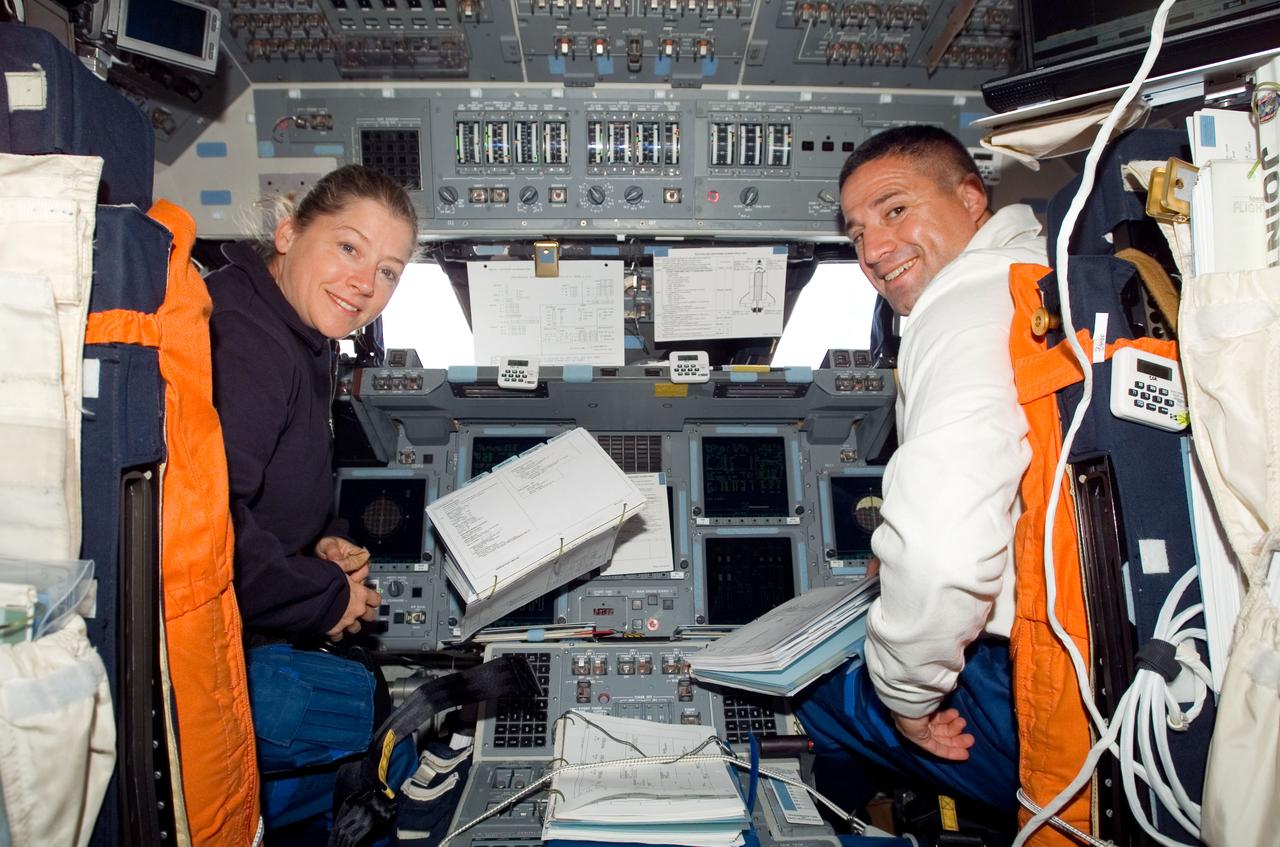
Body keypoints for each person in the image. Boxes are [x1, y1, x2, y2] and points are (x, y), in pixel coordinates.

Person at [795, 125, 1047, 813]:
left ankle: (857, 822)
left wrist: (907, 697)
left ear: (971, 199)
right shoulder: (1042, 275)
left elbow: (941, 554)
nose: (874, 251)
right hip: (1088, 650)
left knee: (809, 692)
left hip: (1030, 681)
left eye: (896, 209)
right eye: (855, 235)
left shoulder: (962, 305)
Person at [206, 164, 419, 835]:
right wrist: (325, 597)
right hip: (218, 648)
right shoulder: (245, 337)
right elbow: (208, 524)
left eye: (389, 270)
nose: (365, 284)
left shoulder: (300, 328)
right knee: (376, 722)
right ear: (289, 228)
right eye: (349, 248)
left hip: (254, 621)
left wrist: (318, 538)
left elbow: (266, 481)